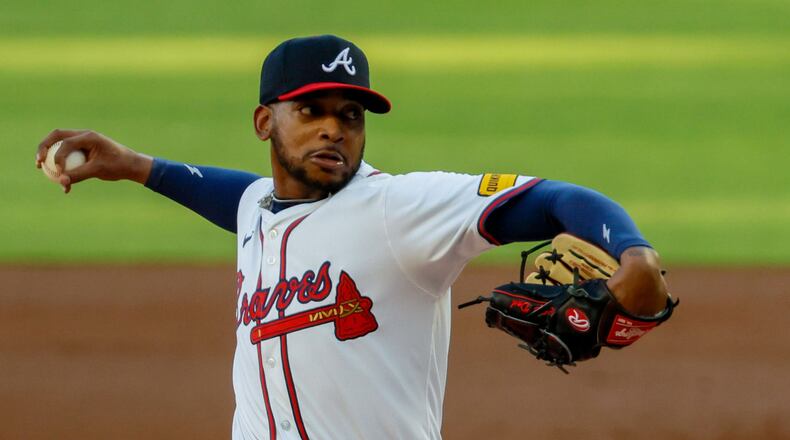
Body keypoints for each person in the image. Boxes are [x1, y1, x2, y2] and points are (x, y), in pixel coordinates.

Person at [36, 35, 669, 440]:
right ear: (265, 121)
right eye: (310, 111)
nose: (333, 130)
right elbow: (238, 198)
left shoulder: (400, 209)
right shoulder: (261, 205)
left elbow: (558, 198)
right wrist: (137, 166)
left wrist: (635, 253)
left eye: (350, 115)